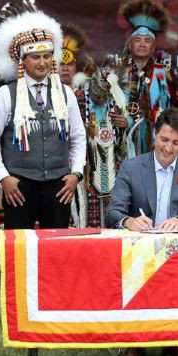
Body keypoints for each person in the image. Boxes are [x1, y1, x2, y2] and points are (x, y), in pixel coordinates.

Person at [105, 107, 178, 356]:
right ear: (154, 135)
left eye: (176, 143)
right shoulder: (131, 167)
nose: (168, 148)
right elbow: (114, 211)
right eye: (164, 140)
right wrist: (129, 220)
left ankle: (174, 342)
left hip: (177, 253)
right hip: (138, 249)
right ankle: (135, 343)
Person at [0, 0, 86, 230]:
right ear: (22, 60)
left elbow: (78, 137)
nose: (42, 62)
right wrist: (4, 178)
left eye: (47, 56)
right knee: (19, 249)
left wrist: (76, 173)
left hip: (59, 185)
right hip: (19, 185)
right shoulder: (5, 95)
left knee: (55, 249)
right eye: (35, 57)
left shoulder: (65, 94)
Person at [117, 0, 178, 158]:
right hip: (122, 146)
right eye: (137, 40)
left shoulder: (164, 74)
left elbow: (174, 109)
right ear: (130, 44)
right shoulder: (118, 74)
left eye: (147, 41)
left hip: (157, 145)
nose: (142, 44)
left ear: (153, 46)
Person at [71, 53, 129, 228]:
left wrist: (123, 126)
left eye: (107, 88)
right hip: (86, 167)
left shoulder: (116, 101)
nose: (103, 91)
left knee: (112, 210)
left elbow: (120, 145)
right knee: (85, 213)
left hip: (110, 164)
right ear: (92, 82)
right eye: (99, 85)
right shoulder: (77, 98)